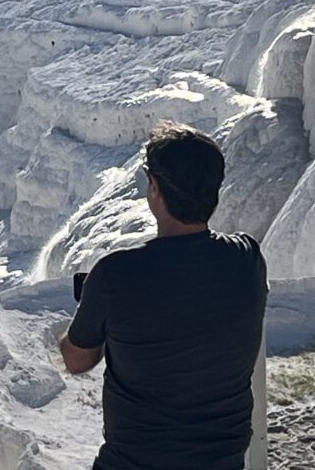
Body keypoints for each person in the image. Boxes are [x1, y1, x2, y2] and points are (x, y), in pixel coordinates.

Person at [59, 122, 267, 470]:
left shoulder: (115, 274)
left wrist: (79, 324)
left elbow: (76, 360)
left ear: (154, 188)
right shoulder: (247, 258)